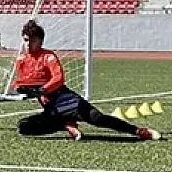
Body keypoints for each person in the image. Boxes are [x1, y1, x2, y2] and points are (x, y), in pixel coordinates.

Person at [11, 19, 163, 142]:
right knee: (23, 127)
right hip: (52, 108)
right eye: (26, 40)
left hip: (66, 100)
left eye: (33, 40)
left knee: (97, 118)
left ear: (40, 41)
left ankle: (139, 131)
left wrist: (42, 90)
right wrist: (21, 89)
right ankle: (65, 124)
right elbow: (21, 82)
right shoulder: (21, 61)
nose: (28, 44)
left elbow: (58, 78)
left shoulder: (48, 56)